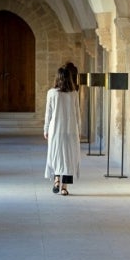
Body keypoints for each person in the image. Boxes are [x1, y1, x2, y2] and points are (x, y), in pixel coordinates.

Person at [44, 66, 82, 196]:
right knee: (68, 157)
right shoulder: (74, 93)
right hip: (70, 130)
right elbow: (78, 114)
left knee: (56, 155)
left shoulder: (51, 93)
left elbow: (48, 114)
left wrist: (45, 129)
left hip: (55, 129)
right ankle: (64, 187)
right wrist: (80, 130)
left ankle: (56, 180)